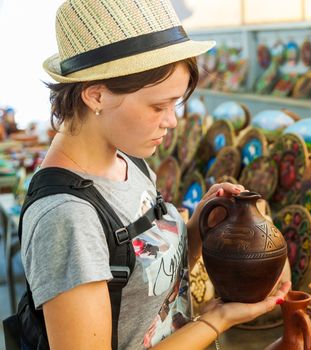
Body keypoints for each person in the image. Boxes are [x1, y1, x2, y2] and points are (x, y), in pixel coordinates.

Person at [20, 0, 291, 349]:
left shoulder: (129, 162)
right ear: (96, 95)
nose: (172, 121)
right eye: (158, 106)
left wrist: (199, 228)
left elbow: (147, 280)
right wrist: (216, 320)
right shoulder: (68, 218)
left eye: (175, 105)